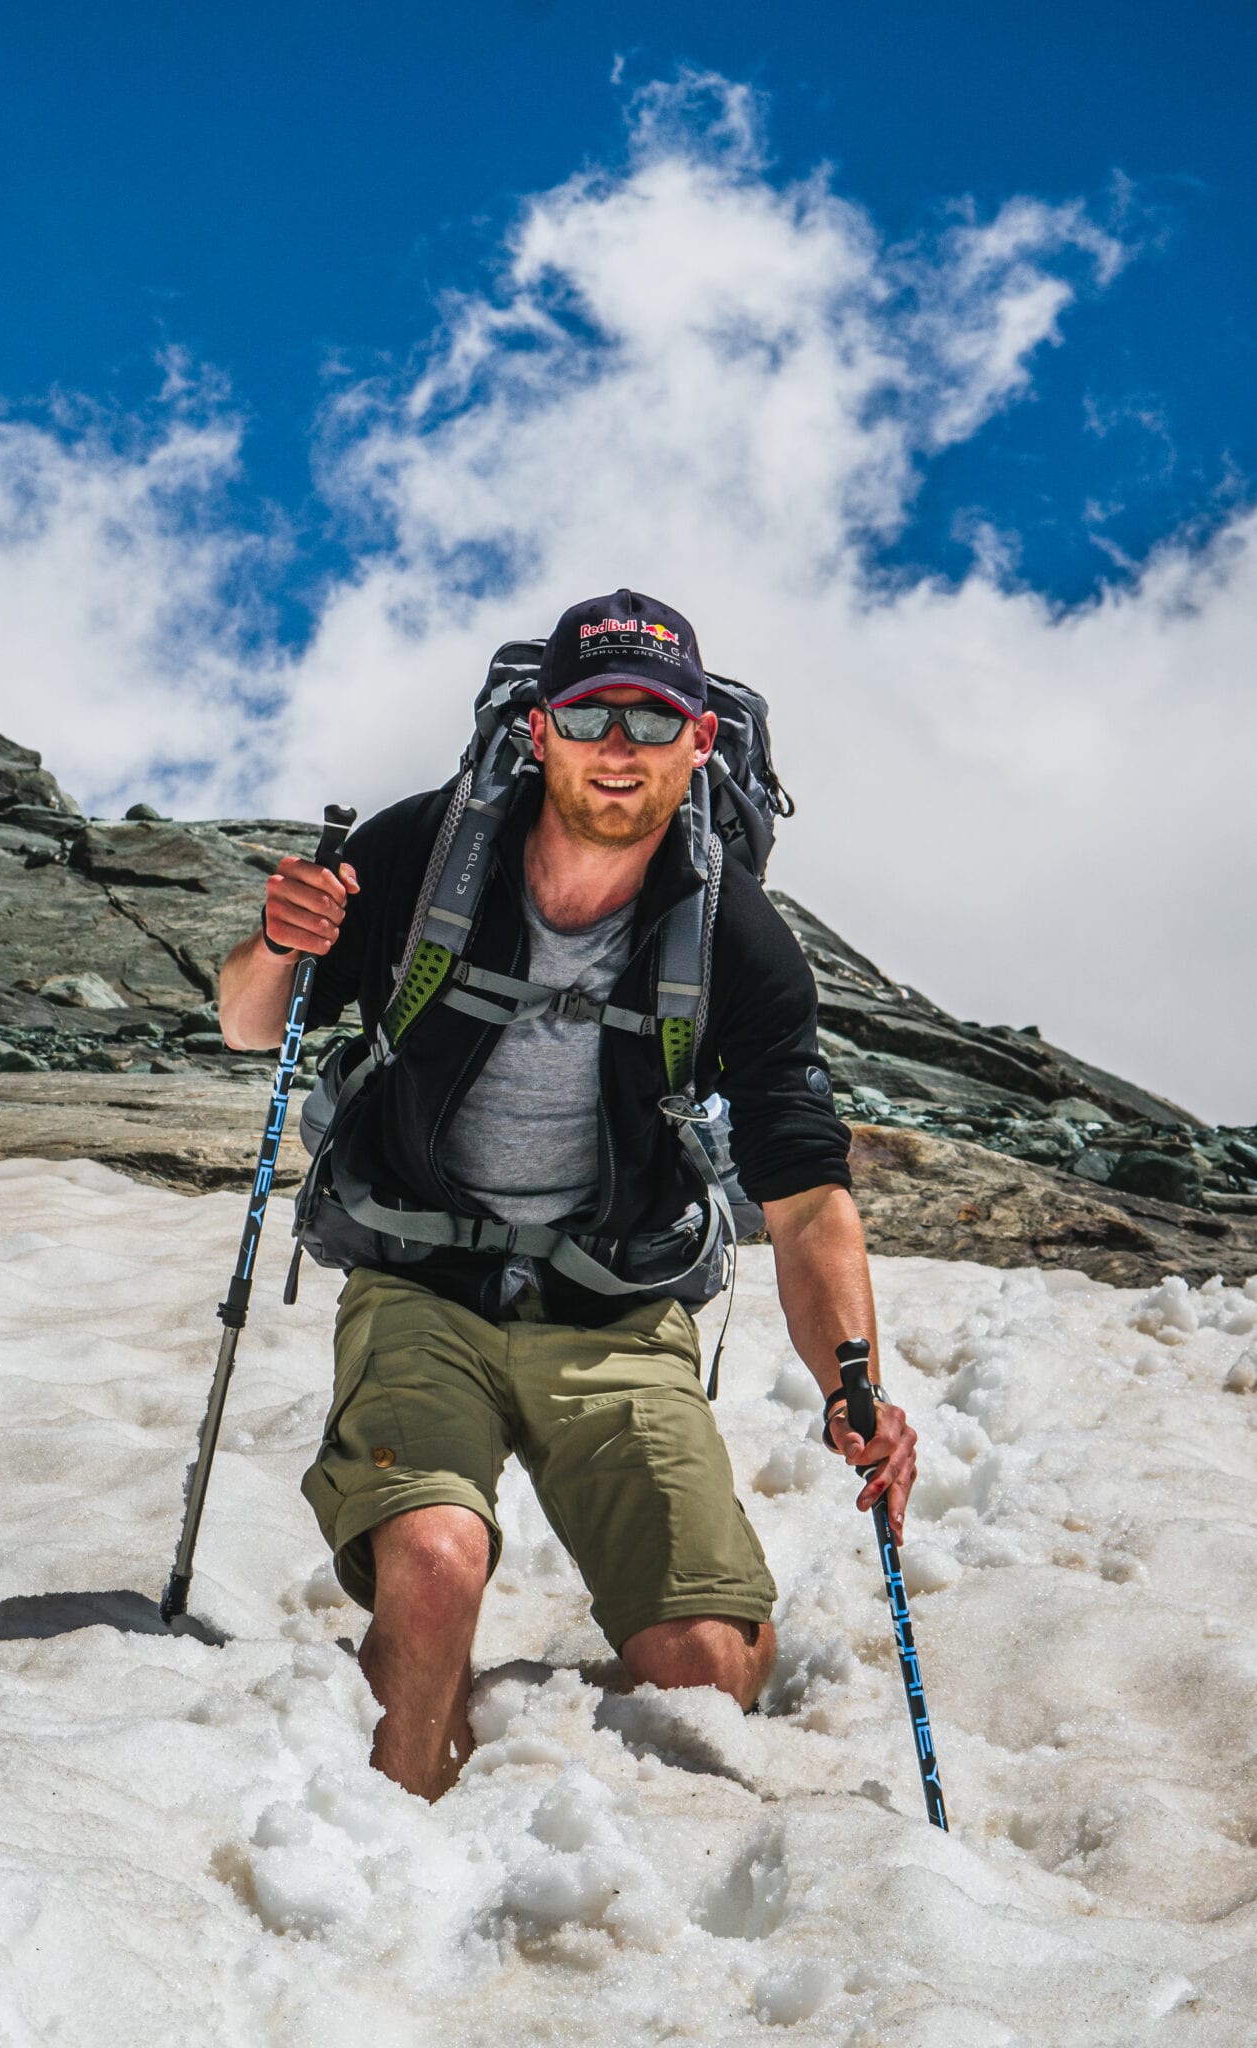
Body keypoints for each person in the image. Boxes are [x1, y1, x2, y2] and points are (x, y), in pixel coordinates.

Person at [218, 589, 918, 1801]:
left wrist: (854, 1380)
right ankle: (397, 1826)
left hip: (617, 1302)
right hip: (423, 1281)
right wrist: (280, 942)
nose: (619, 746)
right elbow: (246, 1026)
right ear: (539, 726)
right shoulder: (417, 854)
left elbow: (806, 1197)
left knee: (704, 1664)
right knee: (434, 1566)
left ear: (701, 742)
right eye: (592, 712)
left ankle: (512, 1764)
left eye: (654, 722)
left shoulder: (735, 937)